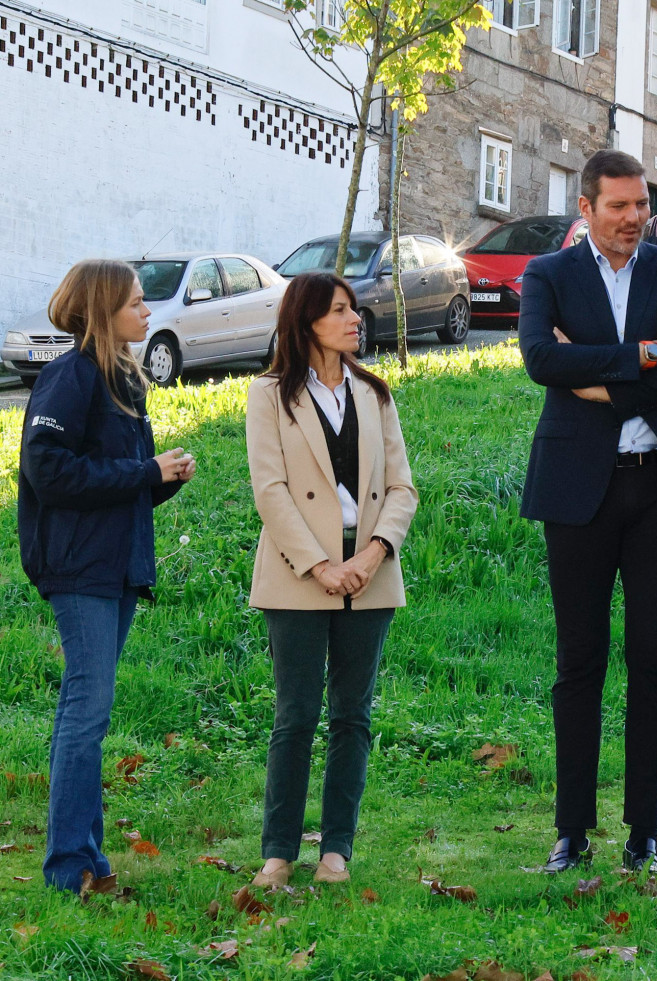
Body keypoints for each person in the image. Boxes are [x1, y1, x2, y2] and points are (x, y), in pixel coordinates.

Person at [518, 149, 657, 876]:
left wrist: (605, 380)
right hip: (576, 492)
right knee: (579, 661)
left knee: (651, 662)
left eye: (642, 205)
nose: (636, 218)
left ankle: (644, 832)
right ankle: (571, 830)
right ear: (587, 209)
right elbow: (541, 359)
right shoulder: (547, 274)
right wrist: (645, 357)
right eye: (620, 207)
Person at [18, 259, 196, 894]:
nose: (147, 313)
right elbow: (49, 472)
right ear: (101, 310)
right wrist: (146, 473)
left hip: (115, 566)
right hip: (78, 568)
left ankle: (87, 859)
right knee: (85, 714)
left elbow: (117, 490)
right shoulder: (69, 378)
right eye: (136, 304)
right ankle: (69, 870)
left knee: (88, 711)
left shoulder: (120, 379)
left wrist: (160, 478)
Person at [246, 271, 417, 888]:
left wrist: (371, 555)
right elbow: (270, 490)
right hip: (299, 573)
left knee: (353, 715)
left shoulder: (375, 393)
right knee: (295, 714)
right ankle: (278, 854)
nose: (355, 319)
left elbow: (402, 487)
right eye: (340, 310)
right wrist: (320, 565)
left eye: (354, 309)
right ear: (307, 321)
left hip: (368, 571)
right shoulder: (268, 394)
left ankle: (337, 851)